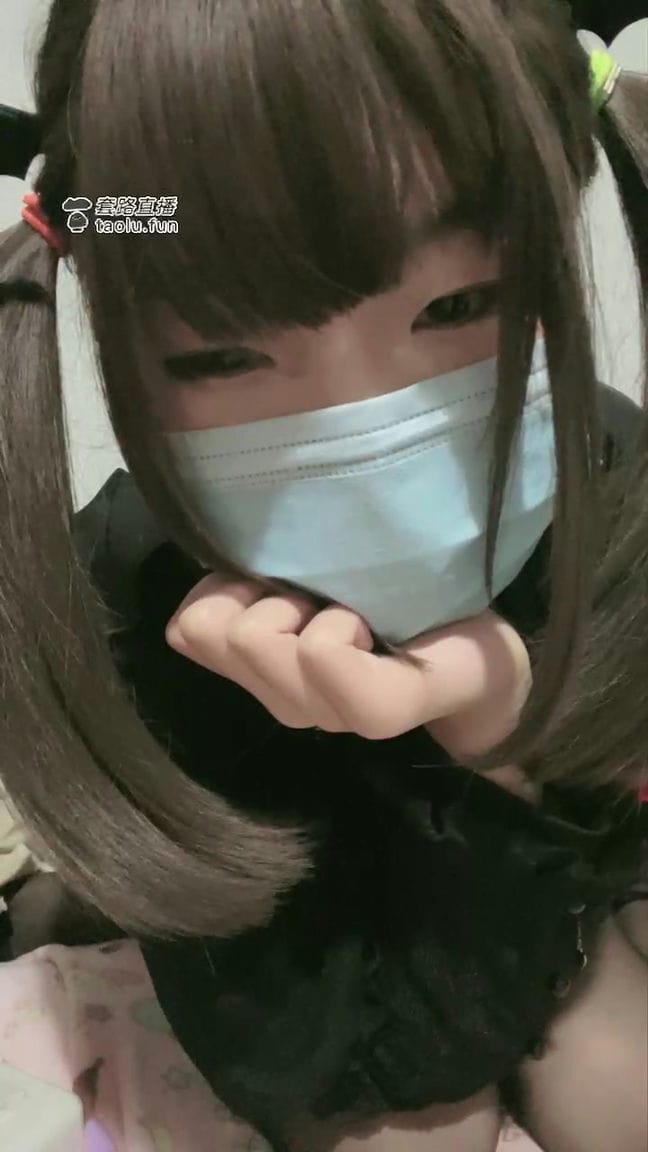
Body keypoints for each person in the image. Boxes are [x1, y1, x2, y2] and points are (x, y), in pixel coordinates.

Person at [0, 2, 647, 1150]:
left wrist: (499, 718)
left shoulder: (602, 469)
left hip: (547, 880)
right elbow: (303, 1034)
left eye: (458, 305)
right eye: (224, 354)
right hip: (316, 965)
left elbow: (606, 816)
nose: (365, 426)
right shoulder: (122, 599)